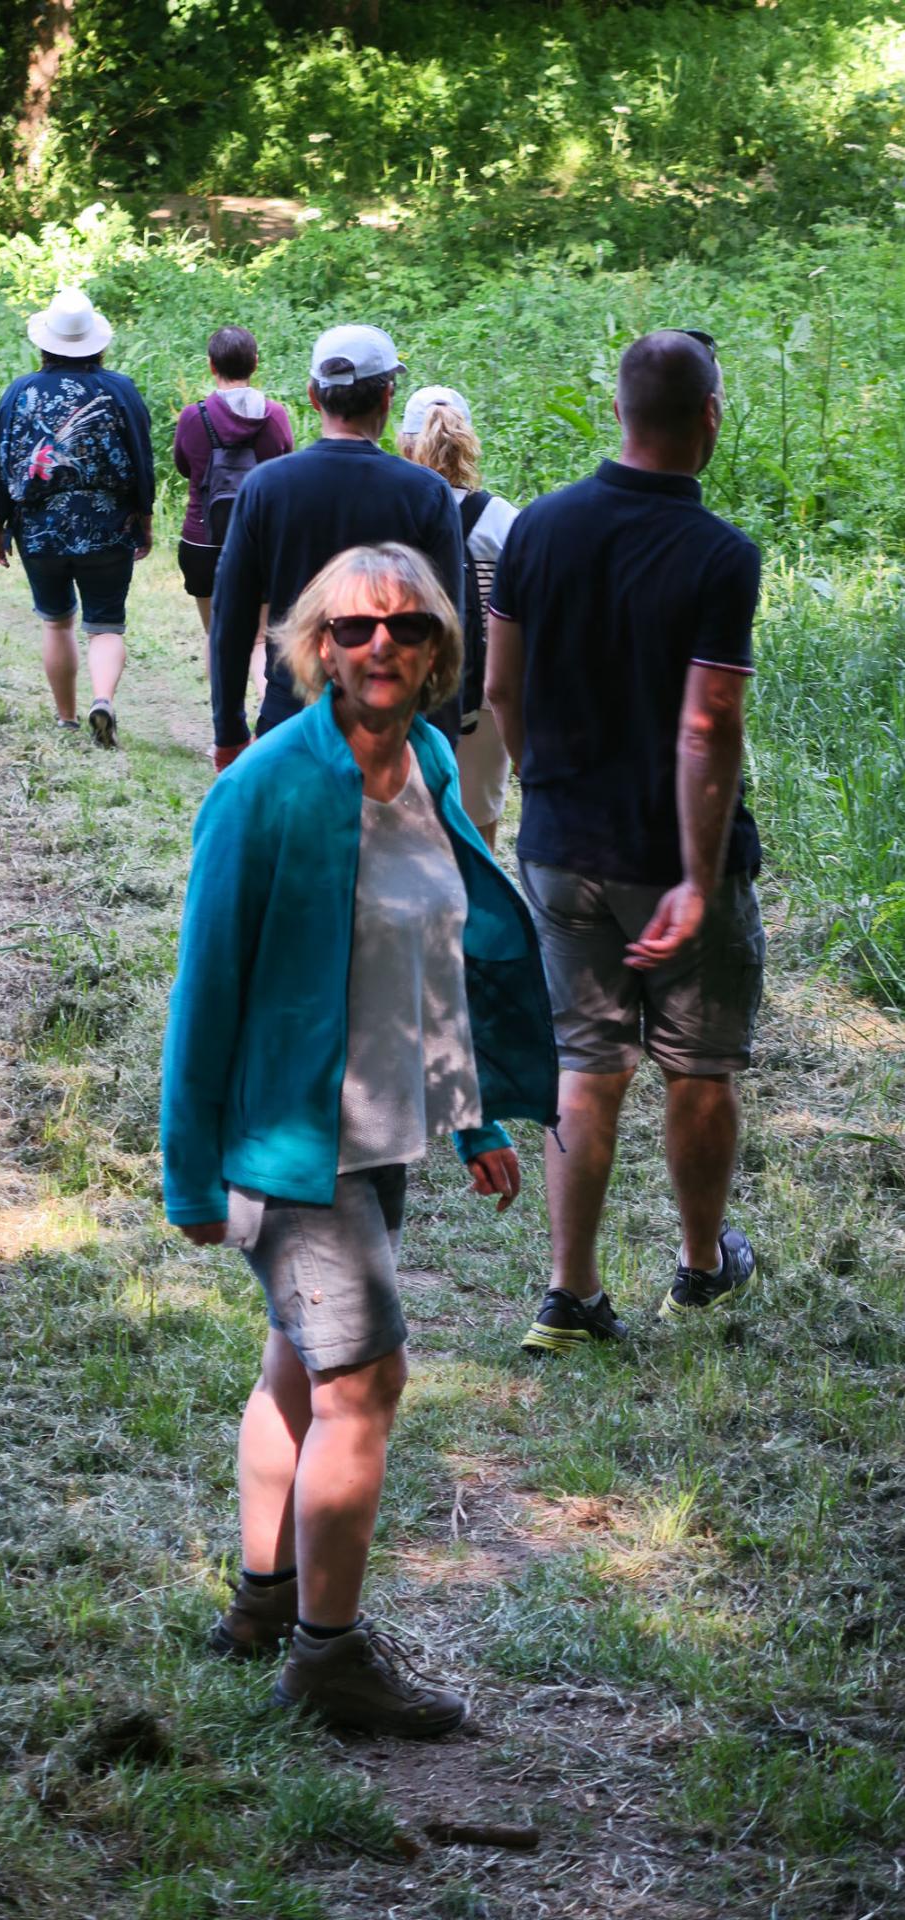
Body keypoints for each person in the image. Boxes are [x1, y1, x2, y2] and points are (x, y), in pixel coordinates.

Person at [162, 543, 558, 1735]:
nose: (377, 646)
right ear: (315, 647)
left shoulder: (431, 760)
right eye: (350, 628)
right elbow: (205, 990)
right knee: (364, 1378)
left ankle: (263, 1605)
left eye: (403, 627)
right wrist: (189, 1171)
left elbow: (439, 959)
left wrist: (472, 1110)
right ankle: (328, 1663)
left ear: (439, 647)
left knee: (297, 1364)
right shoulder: (265, 791)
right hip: (287, 1145)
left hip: (377, 1131)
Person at [485, 328, 764, 1355]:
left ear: (617, 410)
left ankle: (570, 1295)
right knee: (696, 1063)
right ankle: (698, 1269)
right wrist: (696, 876)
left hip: (560, 845)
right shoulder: (720, 555)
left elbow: (500, 689)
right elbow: (709, 725)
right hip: (672, 859)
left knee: (585, 1061)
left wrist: (544, 789)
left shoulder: (538, 529)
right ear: (708, 416)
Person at [208, 325, 466, 770]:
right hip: (393, 732)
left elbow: (231, 617)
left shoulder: (266, 487)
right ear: (387, 397)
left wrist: (229, 730)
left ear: (313, 396)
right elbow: (448, 630)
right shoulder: (427, 492)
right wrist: (441, 744)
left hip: (291, 721)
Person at [0, 288, 154, 749]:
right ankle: (103, 700)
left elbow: (0, 461)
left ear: (45, 343)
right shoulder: (120, 390)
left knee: (57, 622)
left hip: (39, 531)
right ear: (97, 343)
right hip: (107, 528)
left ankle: (67, 720)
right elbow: (141, 460)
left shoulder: (20, 392)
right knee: (106, 625)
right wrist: (145, 519)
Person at [398, 385, 518, 851]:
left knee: (411, 822)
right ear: (469, 441)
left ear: (406, 444)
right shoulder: (505, 519)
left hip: (409, 686)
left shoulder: (396, 510)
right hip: (485, 694)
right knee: (478, 827)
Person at [173, 326, 293, 698]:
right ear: (255, 364)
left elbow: (183, 467)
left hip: (201, 540)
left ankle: (223, 733)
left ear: (211, 366)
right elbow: (285, 467)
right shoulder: (275, 416)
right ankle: (266, 724)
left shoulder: (193, 417)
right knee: (258, 641)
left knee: (217, 635)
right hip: (260, 543)